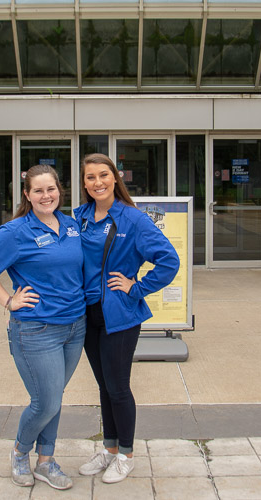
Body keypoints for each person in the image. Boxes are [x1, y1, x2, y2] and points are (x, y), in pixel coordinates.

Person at [0, 164, 85, 491]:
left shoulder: (71, 224)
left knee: (55, 398)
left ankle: (46, 461)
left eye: (51, 189)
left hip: (76, 326)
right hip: (37, 330)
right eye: (39, 190)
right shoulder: (15, 231)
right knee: (45, 402)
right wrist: (8, 301)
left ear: (59, 190)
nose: (46, 196)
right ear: (27, 195)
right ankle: (20, 452)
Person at [74, 153, 180, 483]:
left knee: (118, 387)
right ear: (84, 183)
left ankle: (127, 454)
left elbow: (168, 261)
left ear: (115, 178)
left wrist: (136, 287)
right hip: (87, 314)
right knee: (104, 387)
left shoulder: (133, 219)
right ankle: (108, 449)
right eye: (90, 177)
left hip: (119, 316)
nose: (97, 182)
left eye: (103, 175)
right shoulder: (79, 217)